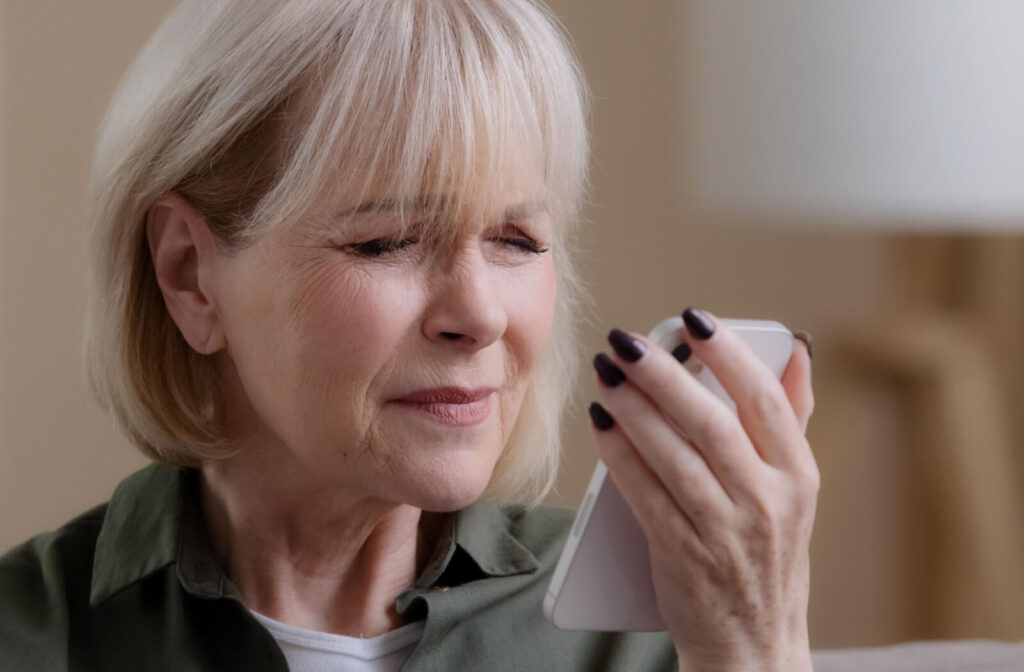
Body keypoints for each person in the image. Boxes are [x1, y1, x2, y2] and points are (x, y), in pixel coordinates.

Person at [0, 0, 817, 670]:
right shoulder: (33, 634)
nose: (482, 315)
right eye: (385, 241)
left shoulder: (657, 638)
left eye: (518, 242)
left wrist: (753, 647)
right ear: (188, 275)